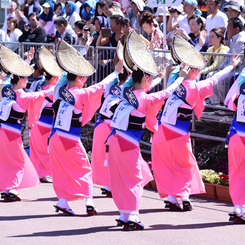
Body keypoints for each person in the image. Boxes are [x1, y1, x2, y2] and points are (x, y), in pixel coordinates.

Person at [105, 30, 188, 230]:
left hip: (113, 139)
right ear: (145, 80)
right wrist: (180, 78)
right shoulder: (147, 99)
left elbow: (145, 88)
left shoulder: (126, 91)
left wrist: (156, 77)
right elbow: (166, 93)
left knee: (120, 178)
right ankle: (133, 215)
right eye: (149, 79)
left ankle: (124, 214)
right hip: (128, 144)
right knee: (135, 178)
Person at [151, 34, 240, 211]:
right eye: (197, 70)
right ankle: (184, 197)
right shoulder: (196, 87)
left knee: (168, 164)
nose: (198, 73)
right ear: (194, 71)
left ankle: (171, 197)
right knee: (186, 164)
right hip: (178, 134)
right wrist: (231, 66)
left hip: (161, 130)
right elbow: (216, 79)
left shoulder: (173, 82)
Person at [49, 40, 124, 215]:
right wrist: (115, 73)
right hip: (70, 139)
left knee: (60, 169)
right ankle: (89, 202)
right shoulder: (82, 93)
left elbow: (63, 77)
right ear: (80, 78)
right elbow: (101, 86)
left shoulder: (58, 90)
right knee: (85, 169)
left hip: (54, 137)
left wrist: (81, 53)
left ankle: (62, 201)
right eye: (83, 77)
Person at [0, 45, 54, 202]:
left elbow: (12, 76)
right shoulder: (23, 97)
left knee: (5, 159)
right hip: (12, 134)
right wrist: (58, 87)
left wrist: (28, 60)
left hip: (2, 130)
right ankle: (12, 189)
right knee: (18, 161)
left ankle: (6, 187)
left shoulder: (6, 89)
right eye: (24, 78)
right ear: (21, 80)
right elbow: (43, 93)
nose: (26, 80)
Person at [29, 46, 64, 183]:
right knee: (47, 150)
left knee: (37, 150)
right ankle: (45, 173)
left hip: (38, 122)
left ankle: (38, 173)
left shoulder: (40, 86)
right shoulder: (56, 89)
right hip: (49, 123)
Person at [224, 69, 245, 224]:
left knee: (236, 172)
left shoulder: (241, 77)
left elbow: (229, 102)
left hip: (236, 134)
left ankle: (238, 207)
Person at [211, 17, 245, 105]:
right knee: (212, 75)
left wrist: (225, 70)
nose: (227, 29)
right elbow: (227, 57)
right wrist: (221, 69)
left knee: (222, 79)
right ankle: (215, 104)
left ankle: (226, 105)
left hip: (238, 70)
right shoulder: (233, 38)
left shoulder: (241, 40)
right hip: (231, 67)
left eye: (229, 27)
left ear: (237, 29)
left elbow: (238, 61)